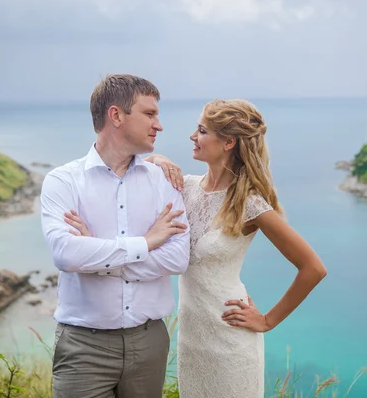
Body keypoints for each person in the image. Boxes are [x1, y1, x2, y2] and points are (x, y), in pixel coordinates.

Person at [68, 98, 327, 397]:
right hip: (192, 339)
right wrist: (158, 159)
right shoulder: (184, 187)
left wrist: (268, 320)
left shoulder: (250, 203)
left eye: (202, 131)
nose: (193, 136)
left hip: (230, 338)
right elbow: (136, 187)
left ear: (228, 142)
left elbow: (313, 268)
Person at [40, 74, 190, 398]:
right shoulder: (62, 181)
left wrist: (95, 257)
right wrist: (147, 242)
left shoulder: (164, 180)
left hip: (149, 343)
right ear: (116, 115)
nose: (159, 125)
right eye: (149, 114)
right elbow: (66, 254)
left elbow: (179, 257)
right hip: (83, 347)